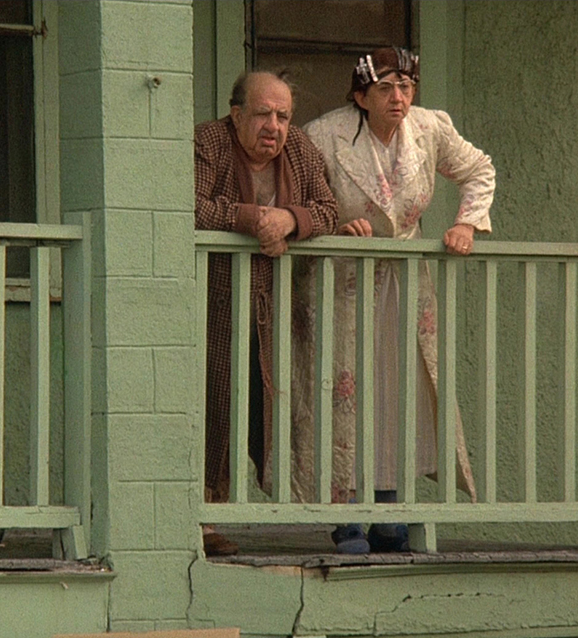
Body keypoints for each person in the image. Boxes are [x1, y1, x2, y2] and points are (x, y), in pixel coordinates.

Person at [291, 47, 495, 553]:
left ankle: (390, 510)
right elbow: (298, 198)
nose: (398, 97)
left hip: (403, 282)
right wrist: (334, 226)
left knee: (395, 391)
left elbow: (479, 169)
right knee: (341, 392)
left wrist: (466, 223)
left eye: (405, 86)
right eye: (385, 88)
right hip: (340, 281)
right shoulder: (324, 135)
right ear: (361, 96)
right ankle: (343, 517)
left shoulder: (429, 129)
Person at [195, 71, 339, 556]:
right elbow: (188, 206)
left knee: (264, 406)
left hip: (273, 308)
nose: (273, 126)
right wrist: (254, 219)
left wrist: (291, 220)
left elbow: (328, 209)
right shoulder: (208, 143)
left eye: (283, 115)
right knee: (212, 405)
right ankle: (202, 518)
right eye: (262, 114)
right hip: (210, 301)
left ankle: (229, 509)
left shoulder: (298, 149)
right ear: (236, 115)